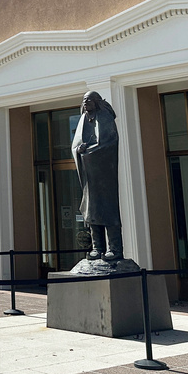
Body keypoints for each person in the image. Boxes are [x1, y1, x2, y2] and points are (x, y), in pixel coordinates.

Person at [71, 91, 123, 263]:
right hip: (90, 178)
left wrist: (90, 151)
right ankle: (97, 248)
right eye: (84, 100)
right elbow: (76, 145)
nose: (85, 103)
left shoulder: (105, 118)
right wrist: (80, 150)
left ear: (97, 102)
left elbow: (109, 142)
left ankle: (115, 249)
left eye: (89, 100)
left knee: (108, 211)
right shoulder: (84, 119)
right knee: (91, 212)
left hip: (104, 176)